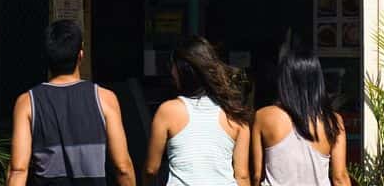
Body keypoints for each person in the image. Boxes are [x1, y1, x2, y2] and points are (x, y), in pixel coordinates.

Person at [7, 19, 136, 186]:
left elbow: (18, 170)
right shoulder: (105, 98)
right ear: (80, 55)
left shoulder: (27, 102)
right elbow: (123, 167)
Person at [144, 36, 251, 186]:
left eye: (173, 66)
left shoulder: (168, 111)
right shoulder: (235, 114)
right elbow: (243, 176)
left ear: (182, 70)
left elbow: (151, 169)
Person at [250, 49, 349, 186]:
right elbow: (340, 178)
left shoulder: (263, 116)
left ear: (284, 80)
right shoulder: (332, 120)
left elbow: (257, 175)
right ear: (318, 81)